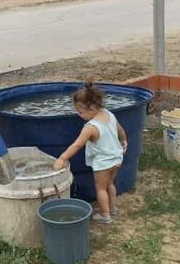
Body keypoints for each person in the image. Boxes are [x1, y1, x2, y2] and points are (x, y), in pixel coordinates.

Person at [54, 81, 128, 224]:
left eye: (80, 112)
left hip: (103, 163)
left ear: (93, 107)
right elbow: (121, 130)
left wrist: (62, 158)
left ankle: (105, 215)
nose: (78, 114)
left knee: (100, 189)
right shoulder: (109, 114)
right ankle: (112, 208)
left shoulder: (90, 127)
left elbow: (76, 145)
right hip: (117, 159)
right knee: (110, 184)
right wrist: (124, 141)